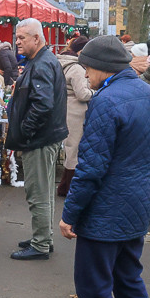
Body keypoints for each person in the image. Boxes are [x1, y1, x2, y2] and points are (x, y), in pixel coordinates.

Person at [58, 36, 150, 298]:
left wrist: (69, 215)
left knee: (94, 283)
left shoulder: (106, 102)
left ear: (97, 67)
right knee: (128, 277)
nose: (85, 76)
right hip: (136, 205)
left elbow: (91, 169)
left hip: (104, 210)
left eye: (86, 70)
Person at [6, 18, 68, 260]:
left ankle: (41, 244)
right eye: (17, 37)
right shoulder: (42, 61)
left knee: (38, 193)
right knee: (44, 192)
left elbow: (42, 106)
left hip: (40, 140)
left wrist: (25, 131)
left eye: (22, 38)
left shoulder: (41, 64)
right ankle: (43, 237)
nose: (17, 41)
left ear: (37, 39)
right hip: (46, 137)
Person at [57, 36, 93, 197]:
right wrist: (98, 92)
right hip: (76, 111)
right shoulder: (77, 68)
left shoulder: (60, 63)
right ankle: (68, 188)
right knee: (74, 151)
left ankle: (65, 186)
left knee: (70, 149)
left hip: (63, 107)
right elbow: (83, 94)